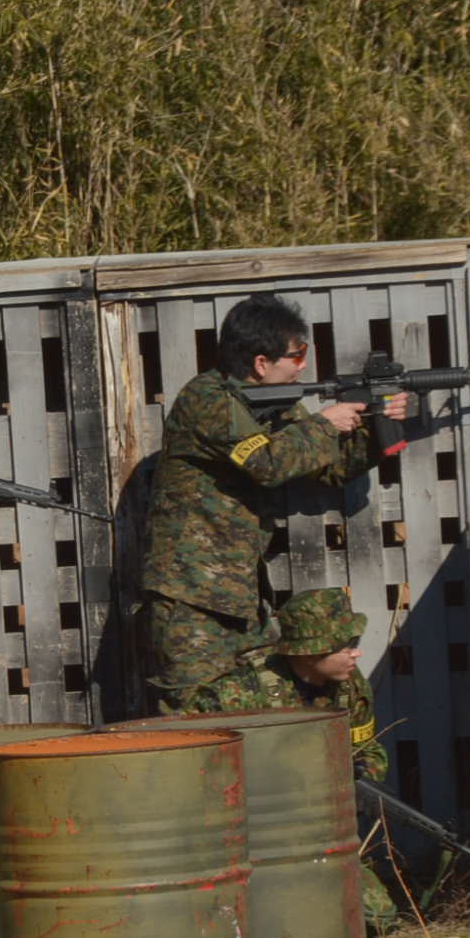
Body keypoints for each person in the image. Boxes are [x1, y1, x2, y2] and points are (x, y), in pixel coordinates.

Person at [139, 292, 408, 710]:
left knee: (260, 710)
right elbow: (268, 463)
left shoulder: (270, 407)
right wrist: (324, 424)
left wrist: (376, 425)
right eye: (297, 355)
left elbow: (331, 467)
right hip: (190, 596)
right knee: (194, 714)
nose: (303, 365)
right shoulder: (208, 400)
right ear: (261, 363)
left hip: (238, 596)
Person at [176, 586, 405, 936]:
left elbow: (368, 749)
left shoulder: (350, 687)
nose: (356, 653)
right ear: (310, 652)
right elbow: (191, 763)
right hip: (248, 829)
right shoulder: (237, 694)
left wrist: (357, 779)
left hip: (317, 827)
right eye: (344, 646)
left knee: (376, 919)